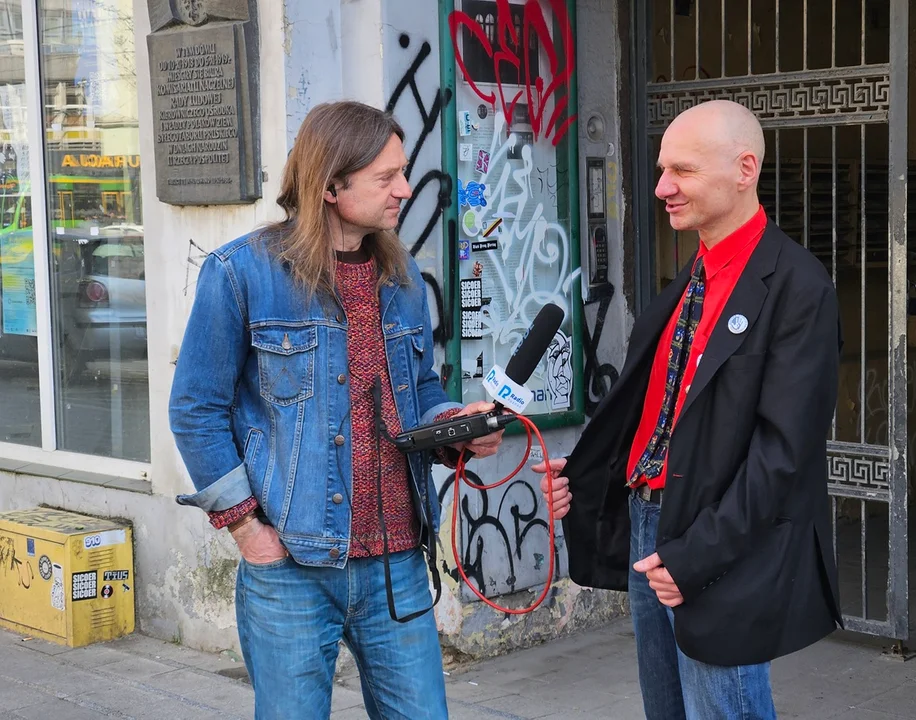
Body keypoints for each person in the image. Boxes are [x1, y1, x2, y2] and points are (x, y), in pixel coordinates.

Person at [169, 101, 503, 720]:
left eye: (404, 173)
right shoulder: (241, 273)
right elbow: (195, 409)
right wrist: (247, 530)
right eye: (386, 177)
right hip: (292, 567)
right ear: (330, 186)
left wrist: (454, 426)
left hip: (398, 562)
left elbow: (418, 391)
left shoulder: (401, 276)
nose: (405, 190)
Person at [534, 99, 842, 719]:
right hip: (651, 528)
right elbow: (657, 409)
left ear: (745, 169)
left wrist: (696, 556)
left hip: (720, 542)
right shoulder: (690, 279)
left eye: (683, 170)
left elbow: (783, 455)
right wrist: (587, 473)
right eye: (661, 169)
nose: (662, 188)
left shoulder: (799, 287)